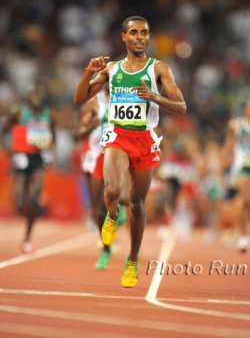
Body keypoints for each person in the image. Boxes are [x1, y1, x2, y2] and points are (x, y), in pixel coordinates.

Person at [74, 15, 186, 287]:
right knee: (111, 191)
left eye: (144, 33)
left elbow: (181, 105)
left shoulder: (158, 68)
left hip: (145, 139)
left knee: (137, 203)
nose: (140, 37)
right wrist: (88, 72)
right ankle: (112, 216)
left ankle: (132, 260)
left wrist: (155, 97)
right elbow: (79, 99)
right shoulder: (112, 69)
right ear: (123, 37)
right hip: (118, 135)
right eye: (134, 32)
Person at [74, 85, 128, 270]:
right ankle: (106, 248)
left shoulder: (127, 100)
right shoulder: (95, 103)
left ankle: (120, 206)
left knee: (121, 197)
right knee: (98, 209)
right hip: (97, 155)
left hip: (118, 153)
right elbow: (78, 133)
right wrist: (92, 125)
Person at [1, 84, 55, 254]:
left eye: (38, 95)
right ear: (26, 97)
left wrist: (50, 153)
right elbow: (4, 132)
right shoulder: (18, 112)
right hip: (21, 157)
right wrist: (11, 154)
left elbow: (54, 135)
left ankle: (27, 238)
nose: (35, 98)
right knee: (19, 203)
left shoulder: (48, 115)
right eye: (32, 95)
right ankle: (23, 206)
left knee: (33, 197)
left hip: (38, 157)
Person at [219, 99, 250, 252]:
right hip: (242, 166)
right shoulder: (235, 125)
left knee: (244, 203)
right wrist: (224, 157)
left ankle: (243, 233)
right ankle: (244, 236)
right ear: (245, 109)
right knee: (246, 198)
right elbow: (229, 144)